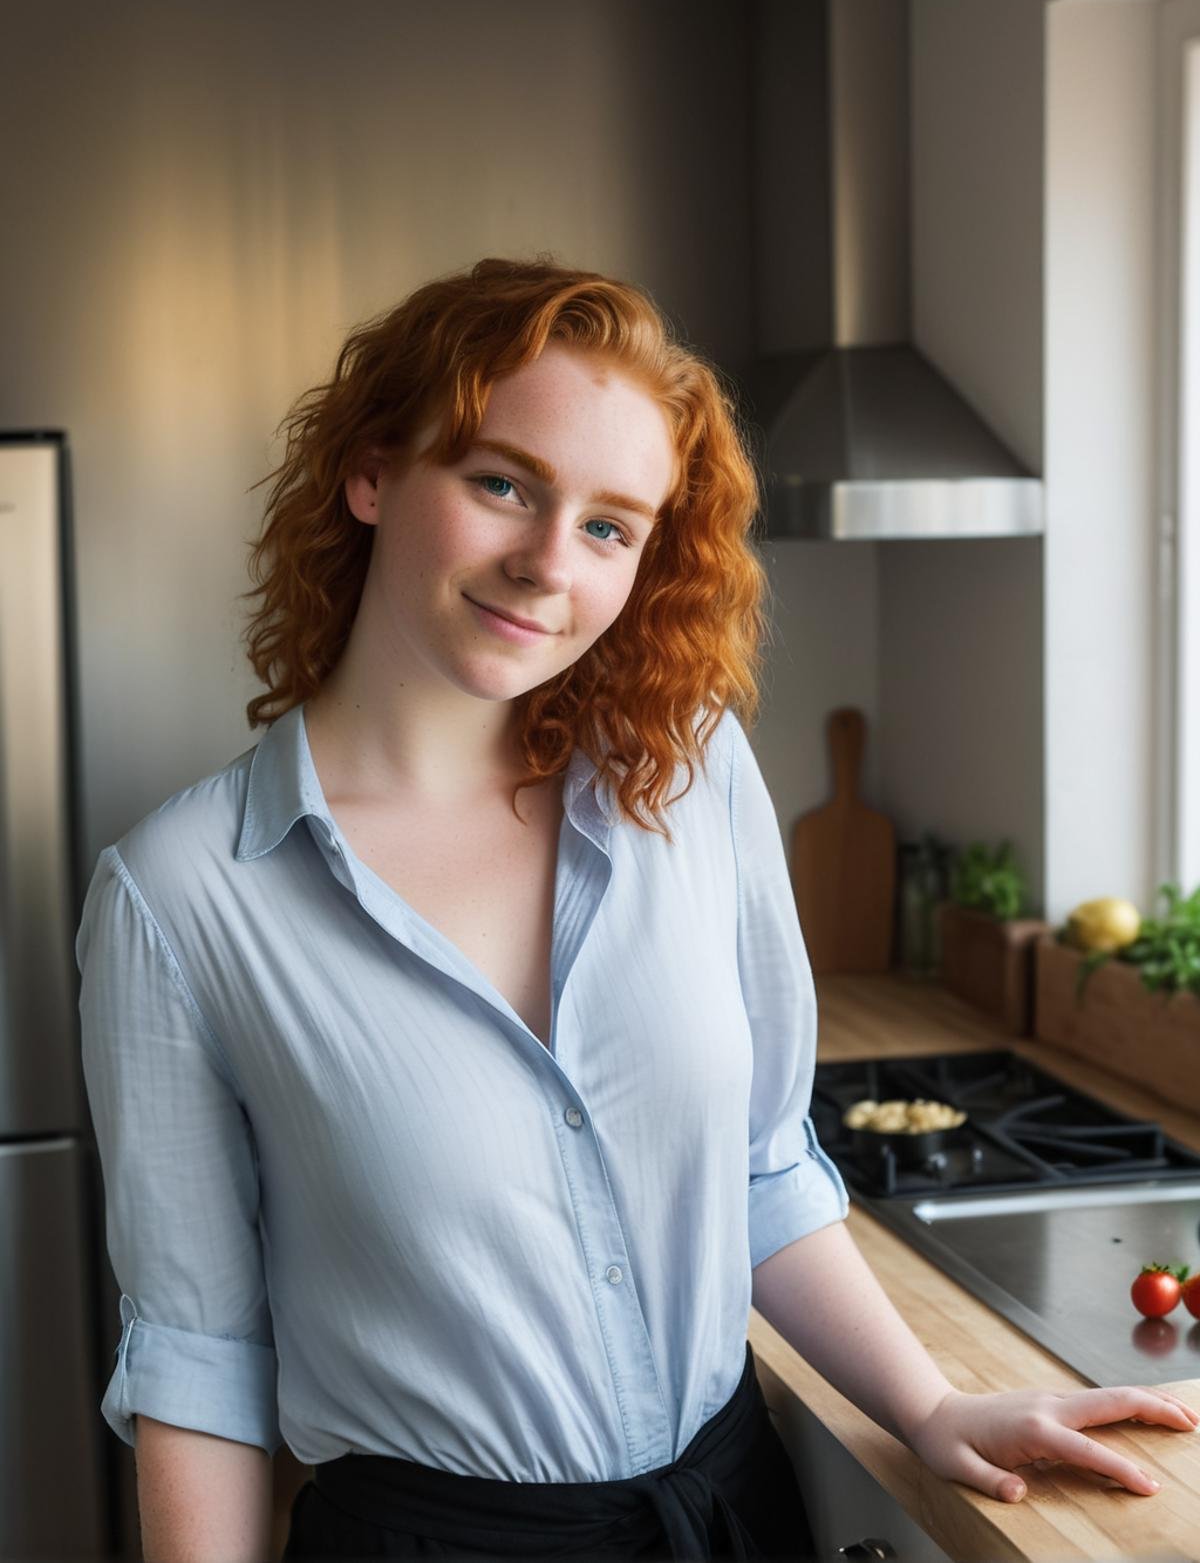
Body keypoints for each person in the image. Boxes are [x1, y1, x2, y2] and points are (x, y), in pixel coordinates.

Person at [76, 254, 1199, 1563]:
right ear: (374, 472)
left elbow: (762, 1166)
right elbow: (201, 1362)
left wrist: (930, 1400)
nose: (550, 562)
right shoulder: (181, 896)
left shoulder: (686, 772)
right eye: (504, 482)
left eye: (612, 525)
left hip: (731, 1513)